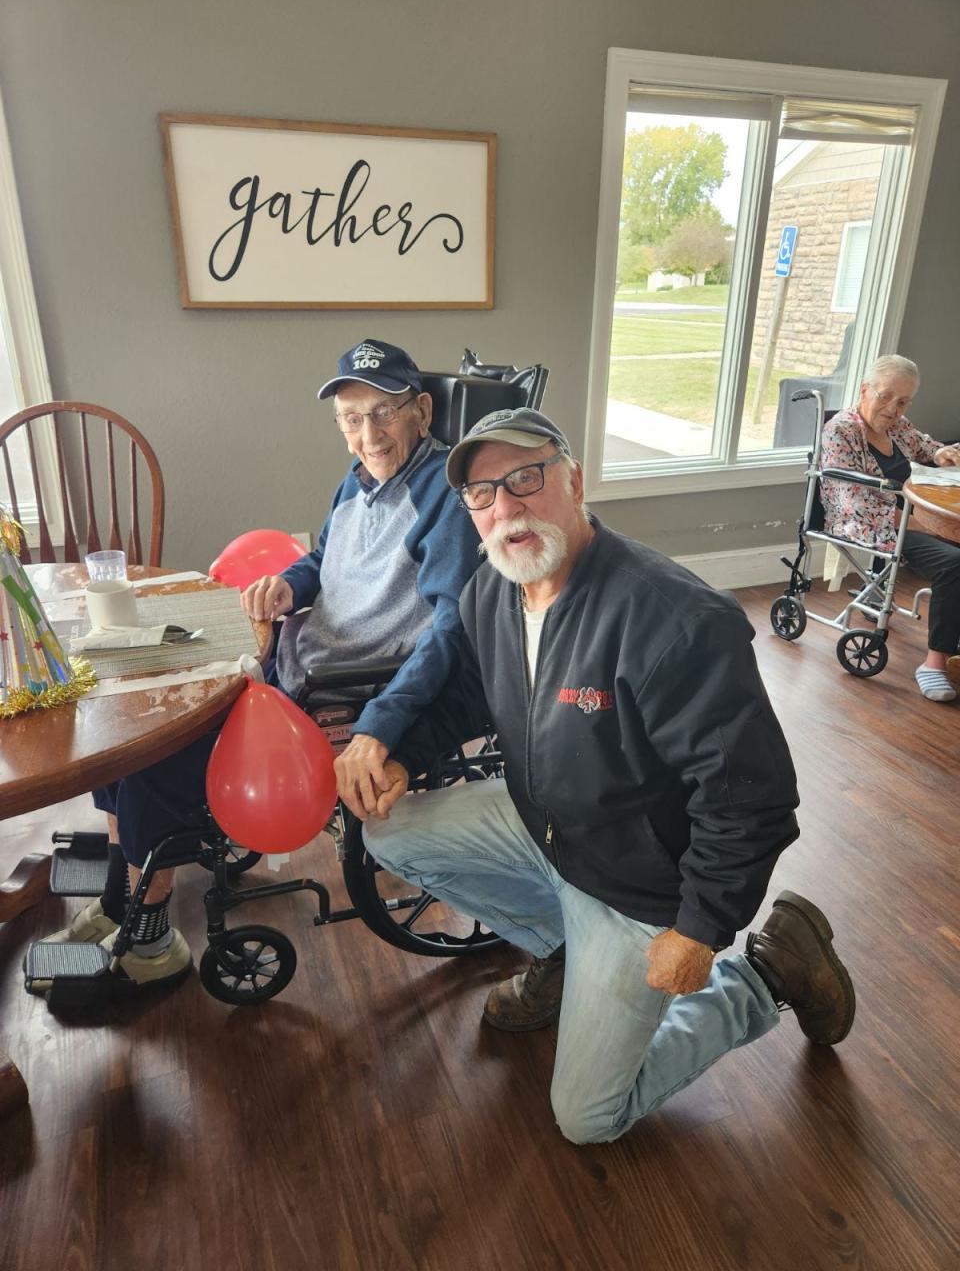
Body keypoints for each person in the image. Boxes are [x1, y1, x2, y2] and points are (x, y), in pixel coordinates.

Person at [341, 407, 856, 1146]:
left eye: (526, 478)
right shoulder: (495, 591)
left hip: (640, 888)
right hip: (547, 828)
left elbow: (752, 799)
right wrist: (399, 756)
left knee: (588, 1118)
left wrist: (702, 926)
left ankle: (771, 973)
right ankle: (561, 951)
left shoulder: (673, 620)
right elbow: (469, 694)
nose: (506, 507)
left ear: (574, 481)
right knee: (386, 830)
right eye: (483, 495)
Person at [41, 339, 481, 988]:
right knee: (127, 713)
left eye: (384, 412)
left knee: (154, 753)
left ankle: (152, 942)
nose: (369, 433)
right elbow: (321, 563)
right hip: (287, 664)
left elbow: (449, 633)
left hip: (338, 693)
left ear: (419, 410)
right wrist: (289, 588)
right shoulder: (357, 483)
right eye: (352, 419)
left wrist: (382, 726)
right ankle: (118, 897)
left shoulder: (445, 498)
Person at [819, 354, 960, 702]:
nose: (893, 409)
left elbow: (922, 444)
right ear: (865, 389)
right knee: (952, 563)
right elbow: (856, 503)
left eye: (903, 401)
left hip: (909, 518)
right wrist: (926, 525)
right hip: (867, 525)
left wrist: (942, 454)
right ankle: (934, 664)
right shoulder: (842, 431)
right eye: (885, 396)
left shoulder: (895, 424)